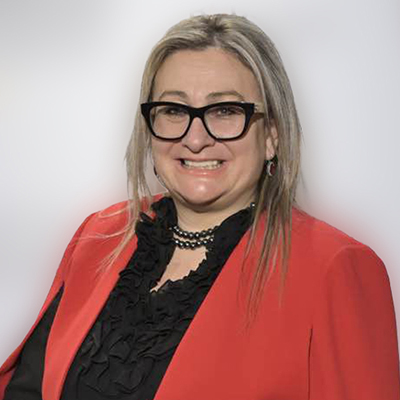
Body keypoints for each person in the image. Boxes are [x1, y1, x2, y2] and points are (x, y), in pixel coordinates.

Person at [0, 12, 399, 400]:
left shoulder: (335, 268)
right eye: (174, 111)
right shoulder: (99, 235)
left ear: (272, 135)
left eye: (225, 111)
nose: (195, 139)